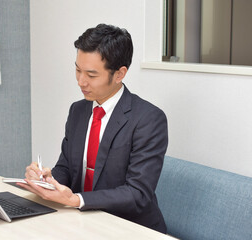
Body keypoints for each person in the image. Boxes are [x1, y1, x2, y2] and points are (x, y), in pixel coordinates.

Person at [18, 23, 168, 233]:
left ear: (119, 74)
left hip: (130, 227)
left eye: (91, 75)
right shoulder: (78, 111)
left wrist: (75, 199)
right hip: (84, 222)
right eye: (78, 70)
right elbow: (66, 168)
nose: (81, 81)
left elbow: (138, 194)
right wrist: (46, 181)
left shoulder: (148, 119)